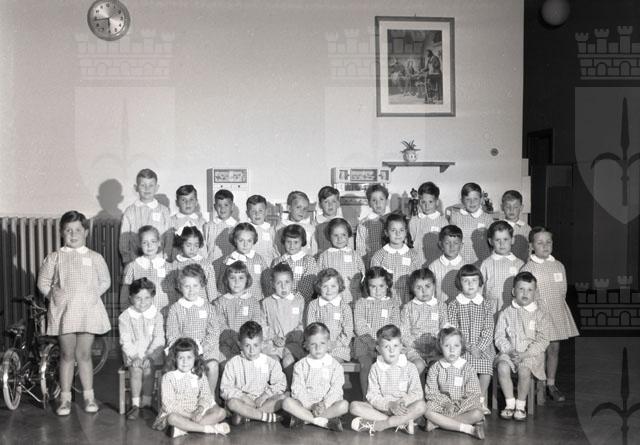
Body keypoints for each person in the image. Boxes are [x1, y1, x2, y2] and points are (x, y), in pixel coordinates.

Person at [37, 210, 111, 416]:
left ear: (85, 232)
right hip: (65, 312)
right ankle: (65, 399)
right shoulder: (55, 257)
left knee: (84, 355)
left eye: (78, 230)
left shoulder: (95, 257)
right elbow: (43, 282)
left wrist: (91, 295)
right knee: (67, 354)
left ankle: (89, 396)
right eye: (68, 230)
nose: (73, 234)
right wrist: (56, 297)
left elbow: (105, 280)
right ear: (62, 232)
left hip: (87, 311)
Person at [520, 226, 579, 402]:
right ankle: (539, 383)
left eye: (548, 242)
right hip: (538, 315)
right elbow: (525, 295)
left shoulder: (559, 265)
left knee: (554, 348)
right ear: (532, 246)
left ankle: (551, 384)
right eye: (540, 242)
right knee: (539, 350)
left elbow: (562, 291)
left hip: (556, 312)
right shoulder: (528, 268)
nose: (545, 246)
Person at [350, 324, 427, 435]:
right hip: (382, 409)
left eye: (395, 346)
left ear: (401, 347)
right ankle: (401, 423)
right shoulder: (375, 368)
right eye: (386, 347)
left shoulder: (410, 367)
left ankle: (382, 425)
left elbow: (417, 393)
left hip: (403, 408)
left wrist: (402, 402)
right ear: (379, 349)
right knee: (354, 406)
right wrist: (390, 404)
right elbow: (372, 396)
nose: (392, 350)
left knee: (422, 405)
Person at [495, 272, 549, 421]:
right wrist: (509, 350)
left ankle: (520, 405)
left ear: (535, 293)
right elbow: (499, 336)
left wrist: (525, 354)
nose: (525, 293)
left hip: (530, 355)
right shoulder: (506, 312)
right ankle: (510, 403)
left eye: (530, 290)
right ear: (514, 291)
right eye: (521, 289)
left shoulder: (540, 315)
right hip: (510, 352)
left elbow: (543, 340)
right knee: (502, 367)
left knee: (524, 371)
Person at [153, 338, 229, 438]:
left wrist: (199, 410)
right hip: (179, 413)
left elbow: (206, 395)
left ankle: (183, 428)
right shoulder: (169, 377)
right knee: (172, 418)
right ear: (175, 359)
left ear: (195, 358)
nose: (185, 361)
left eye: (189, 357)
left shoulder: (199, 374)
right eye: (181, 358)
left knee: (221, 413)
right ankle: (208, 429)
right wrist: (190, 416)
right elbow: (169, 405)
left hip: (196, 411)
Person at [165, 264, 222, 393]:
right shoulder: (175, 308)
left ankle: (210, 397)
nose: (191, 290)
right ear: (180, 287)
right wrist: (186, 351)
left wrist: (202, 348)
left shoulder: (209, 307)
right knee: (179, 366)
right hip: (183, 352)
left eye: (195, 286)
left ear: (202, 285)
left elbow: (213, 332)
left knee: (212, 366)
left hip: (205, 352)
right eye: (187, 286)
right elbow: (172, 334)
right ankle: (185, 397)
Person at [282, 322, 349, 431]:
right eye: (313, 344)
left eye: (322, 343)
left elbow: (336, 390)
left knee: (344, 405)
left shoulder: (336, 366)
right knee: (286, 403)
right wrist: (311, 406)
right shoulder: (300, 365)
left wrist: (325, 404)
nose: (318, 348)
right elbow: (298, 389)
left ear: (328, 344)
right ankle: (322, 422)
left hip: (327, 407)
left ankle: (304, 419)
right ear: (306, 345)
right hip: (306, 406)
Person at [447, 264, 495, 414]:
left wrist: (478, 348)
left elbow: (488, 329)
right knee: (461, 366)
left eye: (474, 280)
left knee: (486, 365)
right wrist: (467, 346)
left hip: (482, 347)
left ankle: (480, 399)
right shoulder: (454, 305)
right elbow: (454, 330)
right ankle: (465, 401)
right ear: (459, 283)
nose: (470, 284)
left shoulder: (485, 305)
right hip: (461, 348)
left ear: (480, 282)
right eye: (466, 281)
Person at [220, 321, 287, 425]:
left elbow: (281, 383)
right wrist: (243, 397)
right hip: (243, 401)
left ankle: (247, 416)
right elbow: (225, 388)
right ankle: (264, 416)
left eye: (255, 345)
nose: (252, 350)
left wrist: (265, 395)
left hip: (262, 401)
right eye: (247, 345)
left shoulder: (270, 362)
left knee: (283, 398)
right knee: (232, 403)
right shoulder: (233, 363)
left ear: (262, 344)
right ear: (240, 345)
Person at [423, 327, 485, 440]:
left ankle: (437, 423)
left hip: (462, 406)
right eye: (447, 346)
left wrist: (458, 405)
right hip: (442, 406)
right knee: (426, 410)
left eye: (456, 346)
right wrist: (446, 404)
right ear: (440, 347)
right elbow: (431, 392)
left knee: (478, 413)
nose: (452, 350)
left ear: (461, 347)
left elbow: (474, 392)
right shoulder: (435, 368)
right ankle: (468, 428)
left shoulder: (468, 368)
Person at [118, 278, 164, 420]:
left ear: (152, 298)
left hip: (153, 355)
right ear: (131, 298)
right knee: (136, 370)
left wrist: (150, 356)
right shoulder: (125, 317)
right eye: (138, 298)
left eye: (147, 298)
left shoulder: (157, 315)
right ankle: (136, 405)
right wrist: (134, 356)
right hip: (133, 355)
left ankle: (147, 403)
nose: (143, 302)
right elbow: (125, 340)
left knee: (149, 369)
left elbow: (159, 338)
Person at [354, 267, 400, 395]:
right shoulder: (361, 303)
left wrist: (382, 343)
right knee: (366, 365)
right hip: (364, 343)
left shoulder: (393, 304)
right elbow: (359, 325)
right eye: (373, 287)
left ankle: (386, 396)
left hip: (386, 344)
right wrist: (371, 342)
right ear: (367, 287)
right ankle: (366, 396)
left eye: (381, 286)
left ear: (387, 285)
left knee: (389, 364)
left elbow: (394, 325)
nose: (377, 290)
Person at [400, 268, 449, 381]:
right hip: (414, 349)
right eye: (419, 288)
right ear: (412, 289)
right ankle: (414, 391)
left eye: (428, 286)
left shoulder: (441, 306)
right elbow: (403, 332)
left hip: (436, 349)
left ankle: (434, 392)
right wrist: (415, 344)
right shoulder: (408, 308)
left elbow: (445, 329)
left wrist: (436, 344)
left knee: (439, 367)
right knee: (418, 365)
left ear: (434, 286)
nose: (424, 291)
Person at [262, 263, 305, 381]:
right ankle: (277, 387)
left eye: (287, 282)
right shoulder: (267, 302)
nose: (283, 287)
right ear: (272, 284)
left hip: (292, 344)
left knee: (288, 361)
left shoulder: (299, 301)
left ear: (292, 282)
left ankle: (291, 388)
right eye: (279, 283)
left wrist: (289, 338)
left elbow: (302, 324)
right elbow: (263, 324)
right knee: (273, 362)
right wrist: (273, 337)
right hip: (272, 344)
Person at [119, 168, 170, 265]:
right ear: (136, 188)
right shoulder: (130, 211)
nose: (147, 189)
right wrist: (127, 260)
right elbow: (124, 239)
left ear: (156, 188)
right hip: (136, 261)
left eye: (151, 185)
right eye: (143, 185)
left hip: (159, 261)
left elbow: (169, 236)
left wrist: (167, 257)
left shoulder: (164, 211)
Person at [215, 260, 264, 361]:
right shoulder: (220, 302)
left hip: (249, 344)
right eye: (232, 278)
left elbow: (256, 323)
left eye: (241, 278)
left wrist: (244, 343)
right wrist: (231, 341)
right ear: (226, 280)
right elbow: (220, 324)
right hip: (227, 344)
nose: (236, 282)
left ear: (247, 280)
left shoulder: (253, 301)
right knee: (226, 363)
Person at [370, 213, 421, 305]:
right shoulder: (379, 256)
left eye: (401, 230)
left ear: (406, 232)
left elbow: (418, 280)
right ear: (386, 232)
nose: (398, 234)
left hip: (408, 300)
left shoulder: (413, 255)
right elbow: (374, 281)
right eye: (393, 230)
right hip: (386, 301)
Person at [304, 268, 353, 363]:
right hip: (317, 346)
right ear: (319, 287)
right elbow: (311, 329)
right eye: (325, 286)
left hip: (338, 348)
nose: (329, 290)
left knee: (331, 363)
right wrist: (321, 344)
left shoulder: (345, 307)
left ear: (339, 286)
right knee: (316, 362)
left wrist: (335, 343)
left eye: (333, 286)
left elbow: (348, 330)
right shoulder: (313, 305)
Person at [120, 225, 170, 313]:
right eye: (144, 242)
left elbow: (173, 291)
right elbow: (125, 293)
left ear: (159, 243)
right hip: (141, 313)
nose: (149, 245)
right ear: (139, 245)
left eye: (153, 241)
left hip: (163, 312)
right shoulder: (132, 267)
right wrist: (125, 312)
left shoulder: (168, 266)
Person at [317, 217, 365, 304]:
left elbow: (363, 274)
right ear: (329, 236)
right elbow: (318, 277)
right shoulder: (324, 256)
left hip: (352, 296)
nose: (340, 239)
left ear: (348, 235)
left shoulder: (355, 255)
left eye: (343, 235)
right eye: (335, 235)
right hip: (331, 297)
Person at [480, 221, 524, 315]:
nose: (502, 244)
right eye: (497, 240)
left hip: (513, 311)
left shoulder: (520, 264)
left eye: (505, 239)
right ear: (490, 241)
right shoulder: (486, 264)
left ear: (512, 240)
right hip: (491, 310)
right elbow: (480, 289)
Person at [167, 226, 218, 303]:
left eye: (196, 245)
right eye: (188, 245)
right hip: (182, 305)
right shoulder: (175, 265)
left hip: (202, 305)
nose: (192, 249)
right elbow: (172, 290)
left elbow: (212, 290)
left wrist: (213, 305)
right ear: (181, 244)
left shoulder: (206, 265)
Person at [219, 222, 269, 300]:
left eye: (249, 241)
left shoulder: (259, 260)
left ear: (254, 241)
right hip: (234, 302)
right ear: (235, 240)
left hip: (256, 301)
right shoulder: (229, 260)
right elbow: (222, 285)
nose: (245, 244)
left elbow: (267, 283)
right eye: (241, 240)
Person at [271, 224, 319, 303]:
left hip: (301, 302)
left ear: (302, 242)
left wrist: (294, 301)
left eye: (296, 242)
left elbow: (308, 286)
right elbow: (273, 283)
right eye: (288, 242)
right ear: (283, 241)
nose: (292, 245)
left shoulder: (308, 261)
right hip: (280, 302)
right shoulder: (277, 261)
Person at [449, 183, 493, 266]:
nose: (472, 202)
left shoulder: (487, 218)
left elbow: (492, 242)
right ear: (462, 200)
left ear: (481, 199)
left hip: (481, 261)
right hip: (460, 260)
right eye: (468, 199)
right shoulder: (456, 216)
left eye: (475, 199)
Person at [408, 181, 449, 266]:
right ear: (419, 202)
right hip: (418, 262)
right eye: (423, 202)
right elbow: (411, 241)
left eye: (430, 202)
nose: (427, 206)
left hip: (436, 262)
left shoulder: (443, 221)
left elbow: (446, 243)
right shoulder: (414, 220)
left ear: (437, 202)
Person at [164, 185, 207, 261]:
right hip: (178, 262)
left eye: (191, 199)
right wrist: (167, 260)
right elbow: (168, 244)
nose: (188, 203)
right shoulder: (171, 221)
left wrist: (205, 260)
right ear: (177, 202)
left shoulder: (202, 222)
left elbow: (204, 245)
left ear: (196, 202)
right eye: (183, 200)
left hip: (198, 262)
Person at [204, 189, 238, 278]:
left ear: (232, 206)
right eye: (219, 205)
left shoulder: (237, 227)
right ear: (215, 207)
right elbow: (204, 248)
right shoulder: (208, 226)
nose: (222, 208)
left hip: (230, 267)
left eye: (226, 205)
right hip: (211, 266)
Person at [428, 225, 465, 303]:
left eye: (456, 243)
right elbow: (430, 291)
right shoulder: (433, 267)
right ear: (441, 244)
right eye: (447, 243)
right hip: (440, 307)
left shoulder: (466, 267)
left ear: (461, 245)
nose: (452, 246)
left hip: (460, 307)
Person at [356, 184, 389, 267]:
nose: (378, 203)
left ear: (387, 201)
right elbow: (360, 248)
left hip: (391, 262)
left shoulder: (392, 221)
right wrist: (363, 266)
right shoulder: (363, 224)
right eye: (374, 200)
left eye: (381, 199)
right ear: (369, 203)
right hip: (372, 264)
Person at [275, 191, 317, 256]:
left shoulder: (311, 229)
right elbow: (276, 251)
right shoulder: (279, 228)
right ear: (289, 208)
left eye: (305, 209)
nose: (301, 211)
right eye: (298, 207)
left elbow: (314, 250)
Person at [314, 186, 349, 256]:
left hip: (341, 257)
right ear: (320, 205)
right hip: (322, 257)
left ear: (338, 204)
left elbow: (349, 244)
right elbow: (313, 245)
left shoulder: (344, 223)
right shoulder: (316, 223)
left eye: (333, 201)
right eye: (326, 202)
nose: (330, 205)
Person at [246, 194, 279, 266]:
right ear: (247, 213)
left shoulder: (271, 230)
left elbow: (275, 251)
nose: (257, 214)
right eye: (253, 211)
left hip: (267, 266)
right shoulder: (245, 231)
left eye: (260, 210)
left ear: (266, 212)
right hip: (249, 267)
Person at [501, 190, 532, 262]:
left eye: (515, 207)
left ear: (521, 207)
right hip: (502, 263)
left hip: (521, 263)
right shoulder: (497, 226)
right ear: (502, 207)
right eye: (507, 207)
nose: (511, 210)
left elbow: (529, 249)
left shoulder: (527, 228)